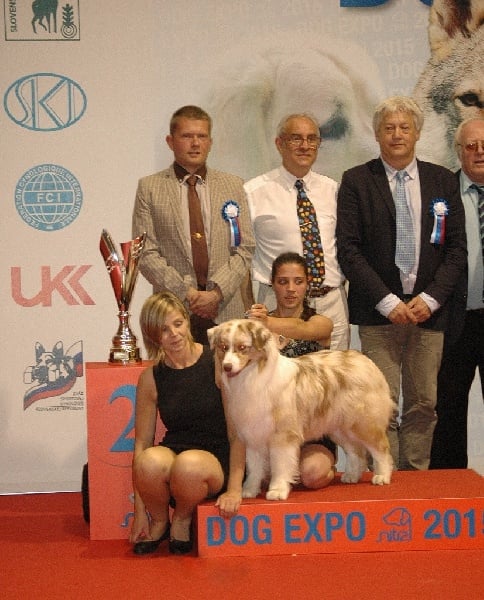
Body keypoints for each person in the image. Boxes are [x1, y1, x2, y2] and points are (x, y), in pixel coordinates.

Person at [336, 96, 467, 471]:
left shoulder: (442, 180)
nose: (397, 135)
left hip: (429, 313)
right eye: (389, 128)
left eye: (404, 127)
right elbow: (349, 250)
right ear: (377, 134)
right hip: (379, 314)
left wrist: (432, 298)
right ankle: (387, 476)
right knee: (381, 404)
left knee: (424, 404)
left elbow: (456, 249)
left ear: (417, 133)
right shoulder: (357, 181)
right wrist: (387, 301)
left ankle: (415, 479)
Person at [216, 252, 336, 518]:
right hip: (266, 428)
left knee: (312, 473)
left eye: (298, 281)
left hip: (311, 427)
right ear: (272, 284)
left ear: (307, 284)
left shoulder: (319, 322)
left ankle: (318, 470)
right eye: (283, 282)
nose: (291, 289)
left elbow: (305, 330)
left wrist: (266, 324)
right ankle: (273, 473)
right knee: (262, 465)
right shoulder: (255, 329)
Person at [132, 105, 255, 345]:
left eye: (202, 136)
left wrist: (217, 293)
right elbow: (145, 252)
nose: (195, 143)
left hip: (226, 309)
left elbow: (245, 246)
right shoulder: (150, 187)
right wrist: (187, 294)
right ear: (170, 141)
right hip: (173, 313)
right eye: (187, 136)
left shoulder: (233, 185)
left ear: (210, 142)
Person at [130, 291, 229, 555]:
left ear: (187, 321)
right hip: (175, 454)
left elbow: (236, 430)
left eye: (178, 324)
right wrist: (139, 511)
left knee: (188, 466)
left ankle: (182, 519)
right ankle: (160, 521)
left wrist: (237, 486)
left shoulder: (216, 361)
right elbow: (141, 443)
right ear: (153, 335)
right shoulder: (151, 377)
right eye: (164, 330)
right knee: (148, 461)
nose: (174, 334)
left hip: (215, 459)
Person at [244, 112, 350, 351]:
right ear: (279, 143)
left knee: (333, 373)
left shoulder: (334, 190)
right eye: (296, 138)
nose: (305, 145)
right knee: (278, 373)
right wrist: (250, 305)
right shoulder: (254, 192)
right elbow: (242, 254)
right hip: (278, 304)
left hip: (330, 302)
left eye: (312, 139)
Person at [430, 117, 484, 469]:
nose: (479, 152)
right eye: (471, 146)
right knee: (447, 411)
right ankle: (449, 487)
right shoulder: (441, 194)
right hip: (454, 320)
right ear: (458, 150)